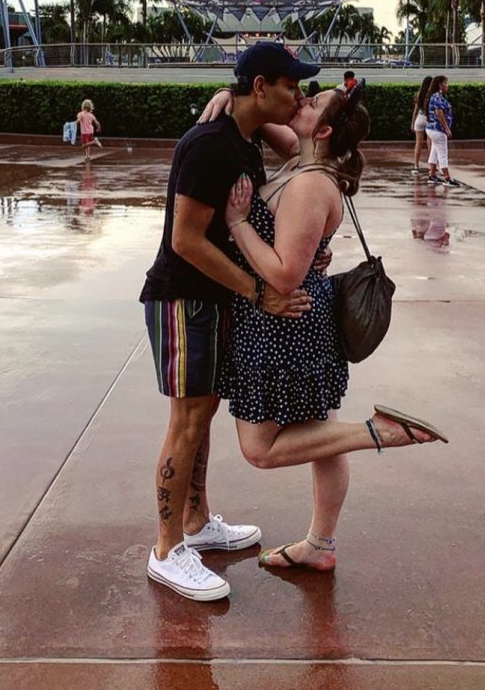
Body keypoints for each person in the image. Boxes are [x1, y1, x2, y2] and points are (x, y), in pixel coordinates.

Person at [214, 80, 447, 574]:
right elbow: (261, 120)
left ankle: (377, 433)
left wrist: (238, 224)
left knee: (260, 449)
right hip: (298, 320)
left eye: (313, 102)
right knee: (319, 432)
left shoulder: (309, 184)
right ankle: (320, 544)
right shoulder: (305, 158)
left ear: (321, 129)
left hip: (286, 322)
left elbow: (283, 274)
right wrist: (228, 97)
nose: (303, 98)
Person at [140, 42, 319, 602]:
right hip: (183, 299)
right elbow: (184, 239)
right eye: (291, 85)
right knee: (187, 421)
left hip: (213, 300)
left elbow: (293, 149)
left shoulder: (241, 139)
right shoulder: (211, 146)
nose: (299, 96)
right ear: (262, 85)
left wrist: (236, 98)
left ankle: (195, 523)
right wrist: (258, 292)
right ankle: (167, 550)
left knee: (203, 415)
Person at [425, 75, 461, 188]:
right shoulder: (437, 97)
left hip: (432, 129)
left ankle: (432, 174)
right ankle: (447, 178)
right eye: (445, 83)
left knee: (434, 152)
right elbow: (439, 113)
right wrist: (446, 128)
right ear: (440, 85)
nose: (447, 86)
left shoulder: (435, 96)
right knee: (443, 153)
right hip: (438, 130)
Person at [410, 75, 432, 175]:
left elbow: (415, 111)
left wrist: (412, 122)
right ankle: (431, 167)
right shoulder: (432, 94)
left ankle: (415, 166)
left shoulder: (420, 94)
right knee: (430, 144)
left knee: (418, 143)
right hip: (429, 119)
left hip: (419, 119)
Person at [76, 99, 101, 163]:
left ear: (83, 106)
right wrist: (98, 128)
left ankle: (94, 142)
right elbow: (97, 123)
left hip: (84, 132)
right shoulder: (91, 115)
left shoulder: (80, 114)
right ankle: (87, 156)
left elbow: (78, 121)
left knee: (84, 145)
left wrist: (73, 124)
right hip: (91, 132)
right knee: (88, 145)